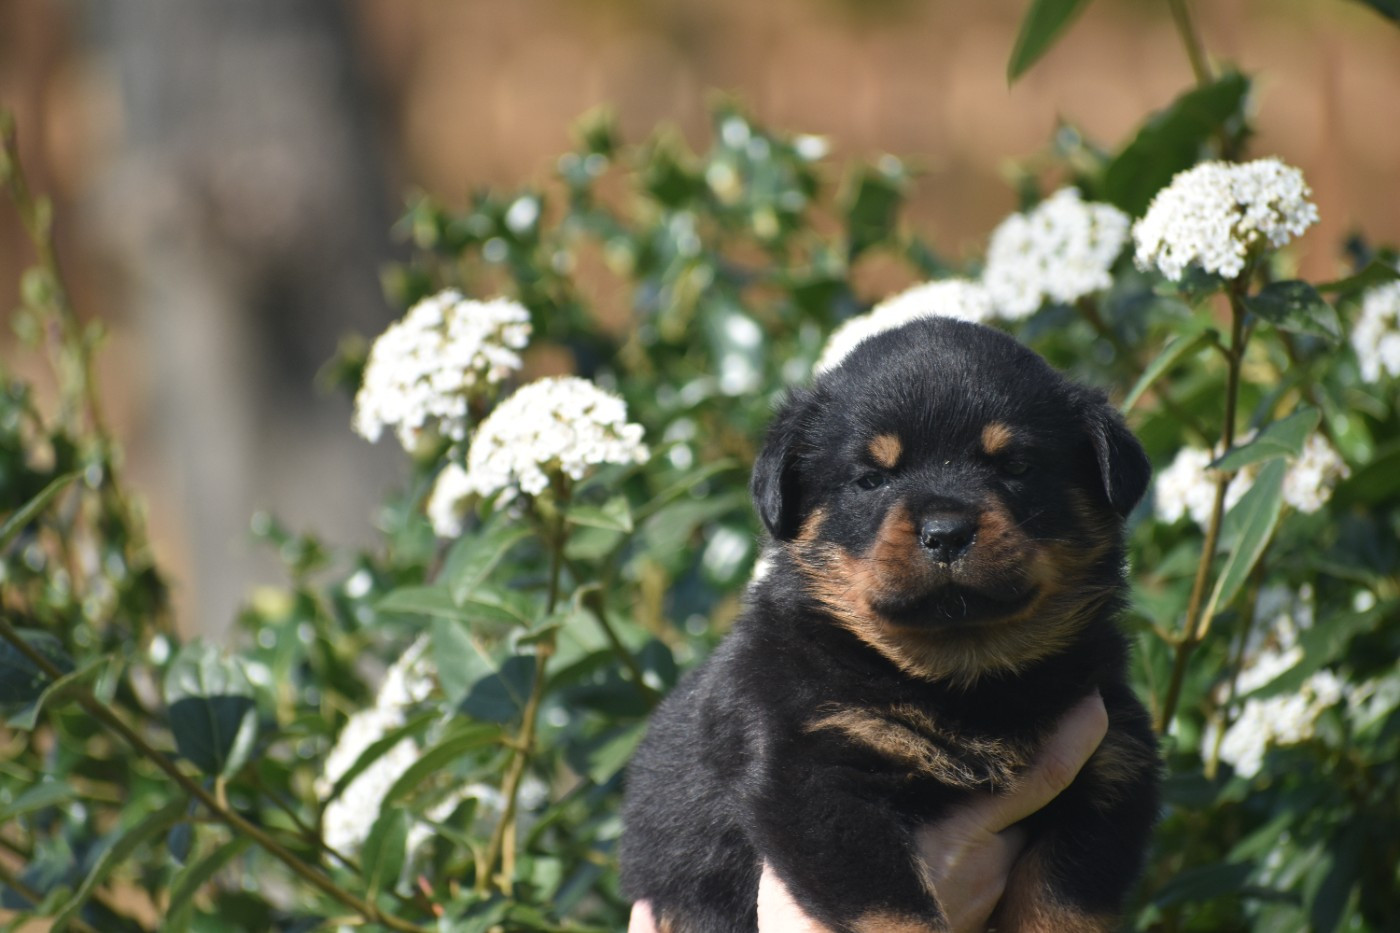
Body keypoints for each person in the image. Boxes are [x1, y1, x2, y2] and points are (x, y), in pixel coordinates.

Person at [627, 691, 1109, 933]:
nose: (941, 524)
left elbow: (1107, 815)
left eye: (1010, 487)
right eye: (870, 486)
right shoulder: (803, 695)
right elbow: (804, 795)